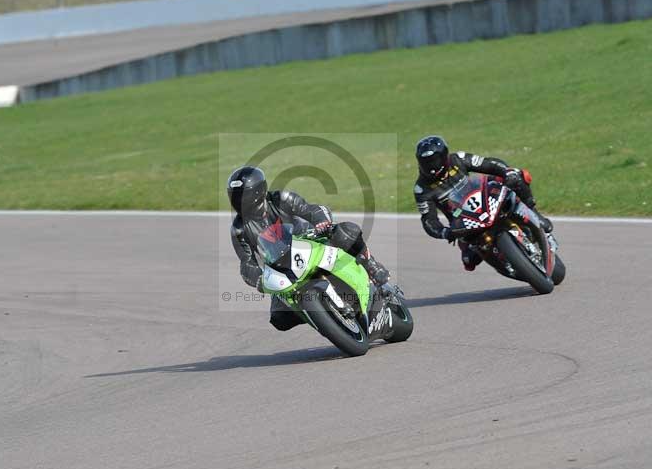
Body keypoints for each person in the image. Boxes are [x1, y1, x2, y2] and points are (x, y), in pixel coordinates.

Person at [228, 166, 390, 331]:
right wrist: (258, 280)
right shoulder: (239, 229)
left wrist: (321, 221)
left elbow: (312, 210)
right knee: (280, 318)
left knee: (345, 232)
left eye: (242, 196)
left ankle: (371, 265)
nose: (238, 201)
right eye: (234, 196)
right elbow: (247, 262)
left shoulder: (280, 198)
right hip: (280, 265)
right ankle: (323, 316)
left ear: (257, 192)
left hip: (310, 241)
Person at [413, 135, 553, 271]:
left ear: (444, 156)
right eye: (426, 162)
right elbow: (428, 220)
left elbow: (489, 164)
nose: (432, 165)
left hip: (486, 198)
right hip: (463, 222)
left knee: (519, 175)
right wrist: (444, 232)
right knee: (469, 261)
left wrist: (506, 172)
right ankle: (504, 261)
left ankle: (533, 212)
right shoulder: (421, 189)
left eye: (435, 160)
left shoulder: (458, 159)